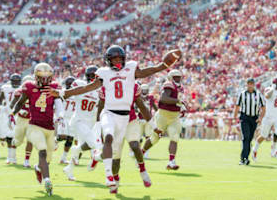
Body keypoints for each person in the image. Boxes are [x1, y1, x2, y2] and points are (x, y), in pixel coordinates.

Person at [48, 45, 179, 193]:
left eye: (120, 58)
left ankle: (137, 170)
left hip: (127, 118)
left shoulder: (130, 70)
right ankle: (111, 176)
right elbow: (87, 88)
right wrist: (64, 93)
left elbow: (147, 74)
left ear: (124, 59)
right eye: (114, 58)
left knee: (131, 147)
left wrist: (164, 65)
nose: (117, 61)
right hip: (110, 114)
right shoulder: (104, 74)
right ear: (108, 61)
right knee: (111, 146)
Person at [10, 63, 64, 196]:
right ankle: (47, 180)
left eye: (48, 77)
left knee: (48, 158)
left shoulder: (54, 87)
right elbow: (21, 102)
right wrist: (12, 114)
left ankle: (38, 168)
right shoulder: (29, 86)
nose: (45, 80)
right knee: (42, 151)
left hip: (50, 128)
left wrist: (60, 116)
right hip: (34, 126)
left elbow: (58, 103)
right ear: (36, 76)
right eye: (42, 77)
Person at [97, 82, 154, 193]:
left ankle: (143, 170)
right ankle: (116, 179)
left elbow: (141, 106)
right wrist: (98, 126)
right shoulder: (106, 86)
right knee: (115, 161)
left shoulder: (133, 86)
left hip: (130, 121)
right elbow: (101, 106)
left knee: (135, 145)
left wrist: (153, 125)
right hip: (114, 124)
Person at [142, 69, 187, 170]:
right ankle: (141, 153)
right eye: (175, 77)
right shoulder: (168, 84)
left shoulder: (181, 88)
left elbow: (178, 101)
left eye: (179, 77)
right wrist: (179, 102)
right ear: (171, 77)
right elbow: (164, 98)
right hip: (163, 115)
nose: (178, 79)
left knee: (175, 138)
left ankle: (171, 162)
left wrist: (182, 108)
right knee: (155, 138)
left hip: (174, 117)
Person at [63, 66, 102, 181]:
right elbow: (70, 94)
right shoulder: (80, 84)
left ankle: (69, 169)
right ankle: (94, 160)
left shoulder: (99, 90)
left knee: (81, 148)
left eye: (95, 76)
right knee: (95, 144)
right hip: (78, 121)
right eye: (91, 75)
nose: (93, 78)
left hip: (90, 122)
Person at [251, 77, 277, 162]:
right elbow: (267, 96)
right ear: (275, 84)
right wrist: (273, 88)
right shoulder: (270, 89)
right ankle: (255, 150)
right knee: (263, 136)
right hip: (268, 117)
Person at [234, 78, 265, 165]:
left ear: (254, 84)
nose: (250, 85)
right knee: (246, 137)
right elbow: (237, 106)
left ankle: (245, 156)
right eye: (249, 83)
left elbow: (263, 107)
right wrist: (234, 117)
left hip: (254, 118)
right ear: (246, 84)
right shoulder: (242, 94)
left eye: (251, 83)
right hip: (245, 117)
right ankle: (244, 158)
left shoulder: (258, 94)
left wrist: (260, 118)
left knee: (249, 139)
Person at [10, 75, 34, 168]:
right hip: (20, 119)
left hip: (32, 120)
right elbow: (13, 104)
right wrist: (20, 110)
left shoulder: (36, 92)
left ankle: (26, 161)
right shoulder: (18, 92)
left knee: (30, 140)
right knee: (18, 141)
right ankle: (12, 155)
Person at [0, 74, 22, 164]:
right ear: (11, 81)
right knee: (9, 136)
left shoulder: (23, 88)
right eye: (14, 81)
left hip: (19, 114)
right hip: (8, 114)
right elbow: (0, 100)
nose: (16, 82)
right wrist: (2, 106)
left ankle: (13, 157)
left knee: (15, 137)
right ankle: (10, 157)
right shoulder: (5, 88)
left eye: (17, 81)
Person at [57, 76, 76, 164]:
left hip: (72, 117)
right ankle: (54, 141)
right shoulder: (63, 92)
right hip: (64, 116)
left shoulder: (77, 93)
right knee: (63, 136)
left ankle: (63, 158)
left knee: (70, 138)